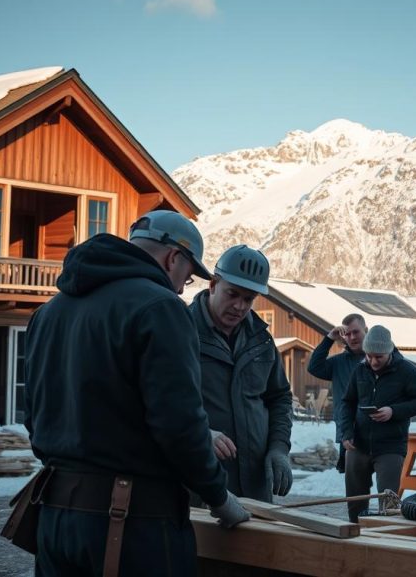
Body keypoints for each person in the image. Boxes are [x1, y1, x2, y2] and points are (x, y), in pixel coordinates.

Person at [24, 211, 250, 577]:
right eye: (186, 277)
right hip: (132, 525)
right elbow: (179, 425)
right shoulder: (160, 308)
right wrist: (218, 496)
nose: (180, 289)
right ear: (172, 258)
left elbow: (34, 419)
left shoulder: (49, 313)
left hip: (54, 520)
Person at [189, 245, 294, 503]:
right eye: (232, 294)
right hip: (199, 484)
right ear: (213, 284)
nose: (239, 306)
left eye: (248, 299)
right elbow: (162, 401)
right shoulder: (182, 330)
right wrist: (200, 435)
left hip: (255, 486)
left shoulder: (261, 340)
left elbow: (280, 398)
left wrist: (279, 448)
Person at [341, 326, 416, 522]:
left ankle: (388, 536)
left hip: (391, 446)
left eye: (378, 357)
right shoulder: (359, 370)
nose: (373, 361)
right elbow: (348, 402)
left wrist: (394, 411)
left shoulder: (406, 370)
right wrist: (346, 432)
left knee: (388, 501)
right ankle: (354, 534)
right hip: (359, 444)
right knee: (355, 499)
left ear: (389, 352)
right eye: (369, 356)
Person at [307, 313, 368, 472]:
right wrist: (329, 339)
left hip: (374, 429)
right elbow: (314, 367)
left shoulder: (377, 359)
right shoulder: (338, 363)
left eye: (356, 332)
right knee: (351, 483)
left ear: (366, 331)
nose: (352, 337)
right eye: (347, 334)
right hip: (347, 432)